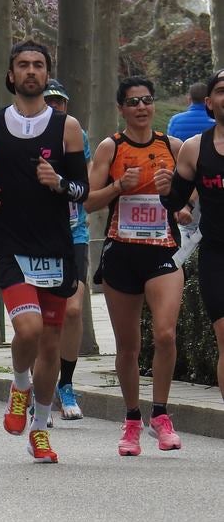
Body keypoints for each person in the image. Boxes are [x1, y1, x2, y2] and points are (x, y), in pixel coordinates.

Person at [0, 41, 89, 464]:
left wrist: (58, 183)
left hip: (55, 246)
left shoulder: (67, 127)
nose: (30, 71)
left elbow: (81, 189)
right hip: (8, 245)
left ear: (46, 73)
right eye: (23, 65)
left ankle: (40, 431)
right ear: (11, 76)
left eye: (38, 65)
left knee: (50, 347)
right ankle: (19, 387)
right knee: (29, 330)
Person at [86, 76, 190, 456]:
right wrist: (118, 187)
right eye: (133, 102)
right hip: (122, 253)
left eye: (147, 100)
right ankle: (132, 420)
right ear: (122, 108)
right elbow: (87, 202)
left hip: (162, 251)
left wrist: (175, 195)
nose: (142, 107)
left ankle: (161, 416)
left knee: (165, 335)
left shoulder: (172, 147)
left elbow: (191, 201)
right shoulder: (110, 148)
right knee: (128, 346)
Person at [159, 68, 224, 404]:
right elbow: (174, 200)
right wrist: (167, 191)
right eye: (222, 90)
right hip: (217, 255)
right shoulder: (195, 149)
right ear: (210, 102)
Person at [42, 80, 91, 423]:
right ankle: (37, 385)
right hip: (36, 237)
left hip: (75, 234)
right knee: (41, 319)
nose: (56, 109)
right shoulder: (22, 136)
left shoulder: (78, 137)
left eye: (61, 103)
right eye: (49, 103)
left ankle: (67, 383)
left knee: (73, 311)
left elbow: (86, 184)